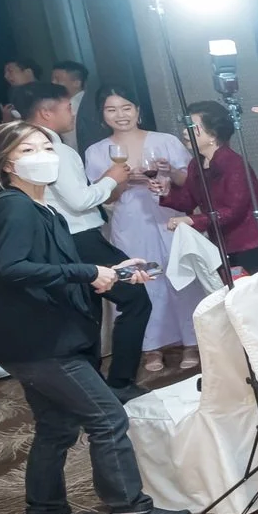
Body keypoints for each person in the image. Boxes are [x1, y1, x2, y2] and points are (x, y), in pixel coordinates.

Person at [0, 122, 188, 514]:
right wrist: (89, 272)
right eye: (27, 149)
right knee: (108, 418)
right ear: (6, 162)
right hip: (41, 340)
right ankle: (129, 513)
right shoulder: (14, 208)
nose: (42, 155)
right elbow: (12, 268)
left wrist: (110, 274)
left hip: (33, 339)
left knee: (56, 426)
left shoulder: (39, 209)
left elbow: (53, 272)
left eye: (46, 146)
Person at [11, 81, 151, 397]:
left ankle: (94, 388)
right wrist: (111, 179)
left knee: (86, 314)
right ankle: (120, 382)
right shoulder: (54, 149)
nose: (72, 113)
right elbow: (79, 201)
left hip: (57, 240)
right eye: (67, 107)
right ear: (47, 112)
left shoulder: (20, 147)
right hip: (81, 239)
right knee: (135, 298)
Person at [83, 88, 202, 374]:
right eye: (111, 109)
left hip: (169, 214)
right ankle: (151, 347)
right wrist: (123, 180)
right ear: (102, 115)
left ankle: (192, 341)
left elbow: (191, 181)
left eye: (126, 107)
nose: (120, 115)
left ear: (138, 110)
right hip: (130, 220)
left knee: (181, 275)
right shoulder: (96, 151)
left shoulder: (165, 140)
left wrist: (169, 171)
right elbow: (103, 197)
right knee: (142, 279)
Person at [159, 101, 258, 281]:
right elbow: (188, 200)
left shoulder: (234, 164)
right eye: (185, 126)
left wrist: (192, 220)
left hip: (250, 242)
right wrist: (165, 191)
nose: (184, 132)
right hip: (222, 243)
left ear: (213, 134)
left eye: (192, 127)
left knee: (256, 292)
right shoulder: (196, 164)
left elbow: (233, 211)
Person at [52, 61, 99, 153]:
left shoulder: (91, 105)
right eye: (52, 79)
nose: (53, 83)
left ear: (77, 83)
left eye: (58, 80)